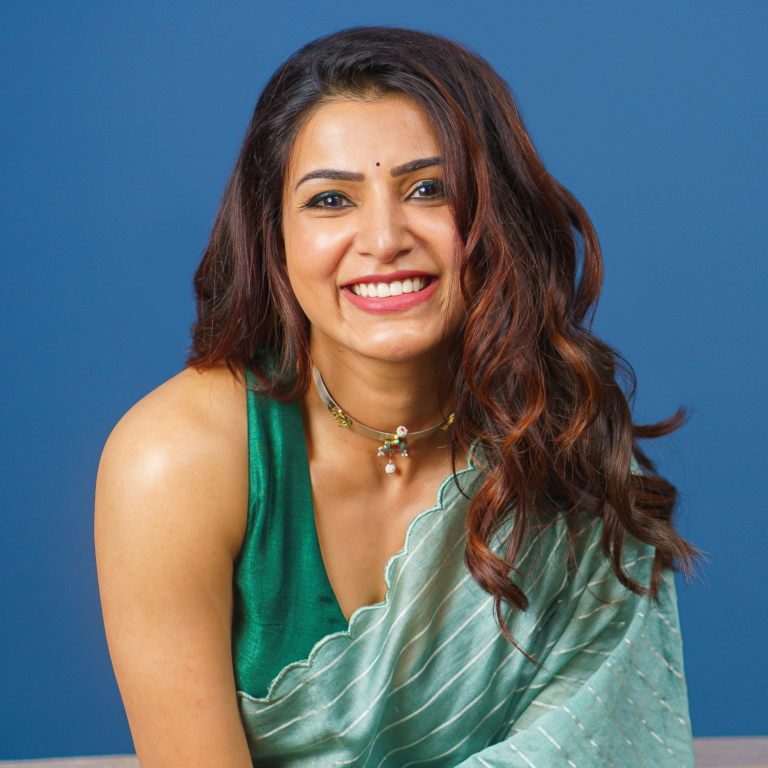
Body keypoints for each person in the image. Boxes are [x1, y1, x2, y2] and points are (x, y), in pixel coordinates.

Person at [95, 27, 698, 767]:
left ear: (498, 214)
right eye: (330, 200)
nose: (383, 240)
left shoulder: (565, 445)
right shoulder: (175, 462)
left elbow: (596, 746)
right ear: (273, 236)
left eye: (428, 189)